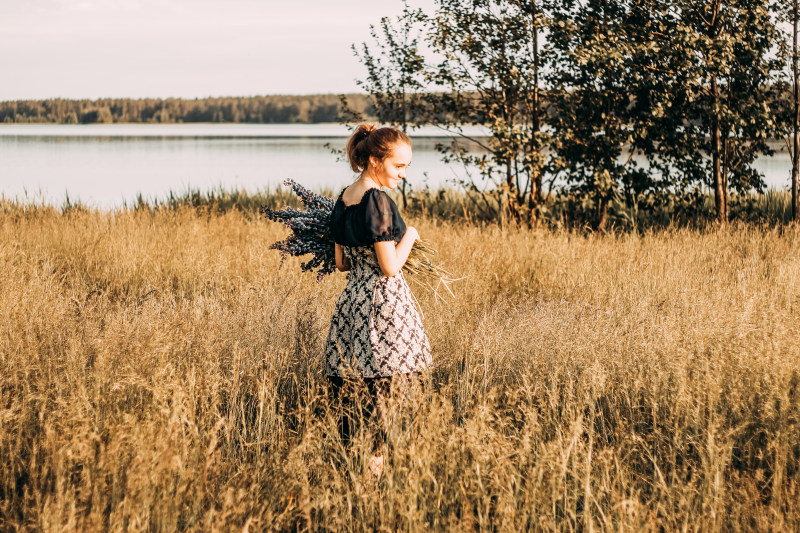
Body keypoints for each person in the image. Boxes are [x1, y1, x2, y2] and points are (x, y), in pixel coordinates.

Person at [324, 123, 432, 479]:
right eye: (398, 166)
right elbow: (389, 267)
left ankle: (354, 472)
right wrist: (411, 236)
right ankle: (373, 478)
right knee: (385, 396)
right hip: (384, 307)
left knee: (358, 394)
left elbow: (341, 263)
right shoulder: (377, 200)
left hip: (351, 305)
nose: (403, 175)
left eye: (406, 167)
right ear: (374, 160)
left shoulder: (343, 199)